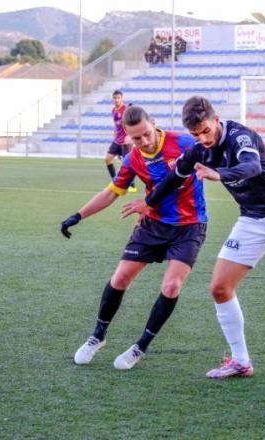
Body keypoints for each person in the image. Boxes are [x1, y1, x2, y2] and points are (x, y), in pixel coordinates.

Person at [123, 96, 265, 379]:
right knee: (219, 288)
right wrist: (149, 202)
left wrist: (218, 174)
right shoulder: (199, 149)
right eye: (196, 134)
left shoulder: (239, 136)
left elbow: (251, 168)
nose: (203, 138)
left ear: (215, 119)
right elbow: (173, 178)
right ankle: (241, 361)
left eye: (206, 131)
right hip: (252, 219)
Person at [61, 105, 207, 370]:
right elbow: (111, 193)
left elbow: (216, 154)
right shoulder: (132, 159)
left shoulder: (183, 142)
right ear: (128, 137)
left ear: (154, 124)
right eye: (137, 138)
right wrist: (78, 216)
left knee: (171, 287)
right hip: (152, 225)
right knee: (120, 278)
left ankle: (140, 347)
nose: (145, 141)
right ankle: (97, 336)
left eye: (147, 134)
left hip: (190, 226)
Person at [105, 90, 136, 192]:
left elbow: (132, 123)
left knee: (127, 163)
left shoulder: (126, 109)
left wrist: (130, 137)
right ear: (113, 99)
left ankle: (132, 185)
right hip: (117, 140)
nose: (117, 100)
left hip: (126, 141)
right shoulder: (114, 110)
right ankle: (115, 181)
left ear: (122, 98)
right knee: (107, 159)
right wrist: (114, 137)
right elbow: (116, 126)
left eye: (118, 98)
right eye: (115, 98)